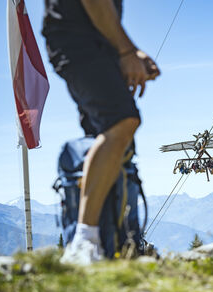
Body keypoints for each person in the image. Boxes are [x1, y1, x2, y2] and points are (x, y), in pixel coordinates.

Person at [42, 0, 160, 265]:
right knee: (122, 121)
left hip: (90, 41)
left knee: (107, 137)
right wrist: (127, 51)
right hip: (78, 39)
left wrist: (129, 53)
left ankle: (112, 240)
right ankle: (84, 242)